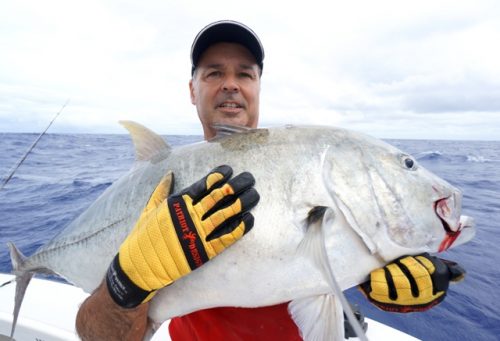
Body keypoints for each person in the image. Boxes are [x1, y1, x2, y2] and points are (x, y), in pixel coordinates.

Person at [76, 20, 465, 340]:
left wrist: (381, 281)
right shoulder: (163, 179)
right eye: (214, 73)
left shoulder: (308, 169)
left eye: (244, 73)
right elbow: (97, 335)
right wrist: (129, 278)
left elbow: (332, 266)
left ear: (257, 87)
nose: (231, 83)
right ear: (192, 90)